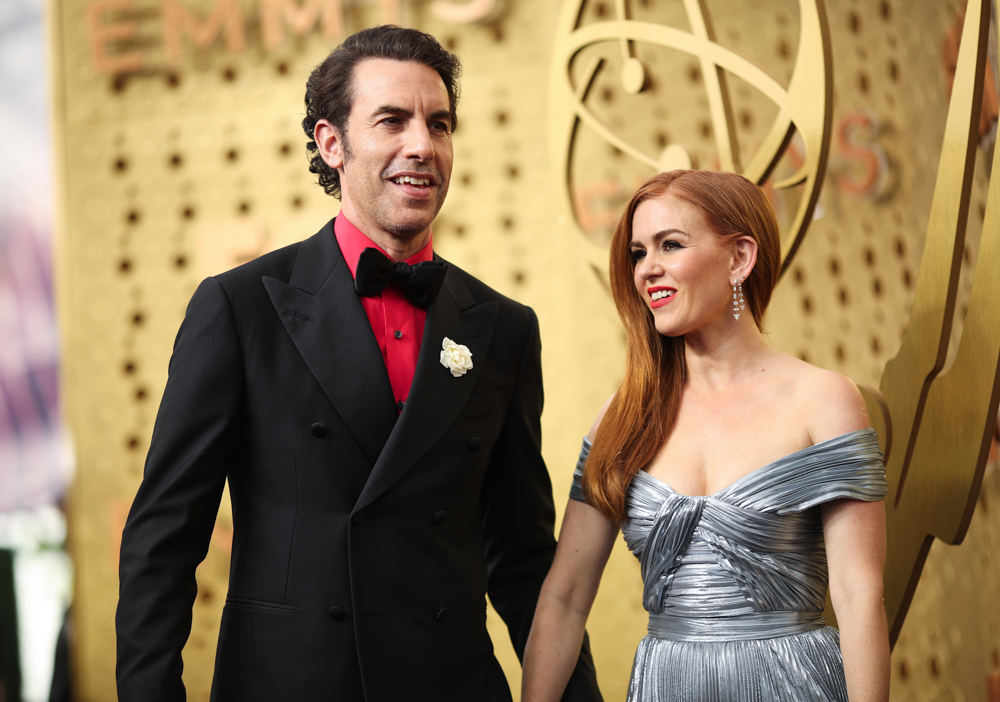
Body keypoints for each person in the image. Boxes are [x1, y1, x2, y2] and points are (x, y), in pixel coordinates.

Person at [116, 25, 602, 702]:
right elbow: (164, 541)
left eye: (439, 124)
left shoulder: (505, 329)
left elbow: (522, 559)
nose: (422, 146)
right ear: (331, 143)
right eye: (392, 121)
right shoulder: (239, 308)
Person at [521, 170, 890, 701]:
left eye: (670, 245)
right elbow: (565, 597)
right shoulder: (621, 419)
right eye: (637, 253)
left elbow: (859, 594)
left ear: (739, 258)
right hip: (666, 685)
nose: (648, 269)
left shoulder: (824, 400)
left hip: (794, 685)